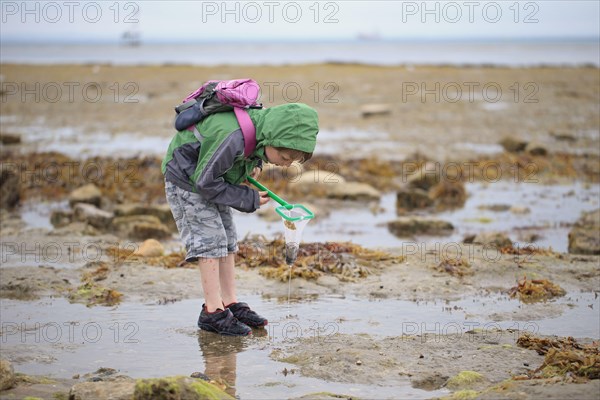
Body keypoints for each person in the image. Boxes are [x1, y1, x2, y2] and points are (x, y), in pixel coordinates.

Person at [162, 102, 319, 336]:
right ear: (270, 138)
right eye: (284, 156)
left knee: (227, 240)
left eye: (291, 161)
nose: (285, 164)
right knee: (209, 243)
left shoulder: (258, 131)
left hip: (214, 180)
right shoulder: (232, 136)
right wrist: (247, 197)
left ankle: (230, 302)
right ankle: (212, 312)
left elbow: (245, 153)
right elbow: (204, 182)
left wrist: (251, 167)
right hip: (186, 181)